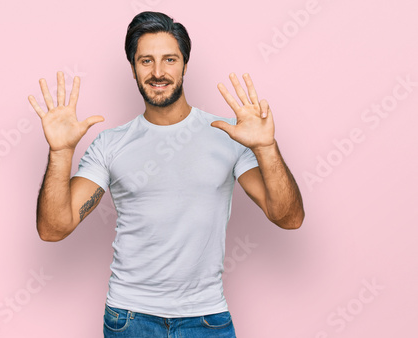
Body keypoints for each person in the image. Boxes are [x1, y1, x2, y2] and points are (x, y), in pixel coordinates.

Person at [28, 11, 304, 338]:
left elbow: (289, 218)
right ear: (132, 68)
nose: (158, 72)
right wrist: (61, 153)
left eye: (169, 59)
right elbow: (53, 229)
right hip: (130, 318)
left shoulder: (230, 136)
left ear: (185, 64)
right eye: (146, 61)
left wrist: (266, 147)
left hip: (206, 318)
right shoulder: (110, 144)